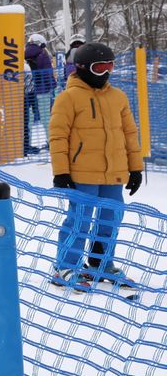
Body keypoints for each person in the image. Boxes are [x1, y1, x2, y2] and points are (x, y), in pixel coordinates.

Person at [48, 42, 142, 294]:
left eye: (110, 66)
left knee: (110, 220)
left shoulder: (118, 97)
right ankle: (65, 267)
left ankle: (101, 263)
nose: (106, 73)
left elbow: (130, 134)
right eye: (100, 67)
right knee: (80, 220)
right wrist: (61, 171)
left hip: (113, 173)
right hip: (81, 173)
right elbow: (58, 136)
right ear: (82, 68)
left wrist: (135, 168)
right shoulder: (67, 98)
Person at [24, 33, 56, 154]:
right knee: (46, 118)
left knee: (30, 119)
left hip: (30, 90)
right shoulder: (43, 54)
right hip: (44, 90)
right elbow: (48, 73)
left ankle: (28, 144)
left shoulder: (23, 53)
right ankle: (50, 142)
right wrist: (52, 86)